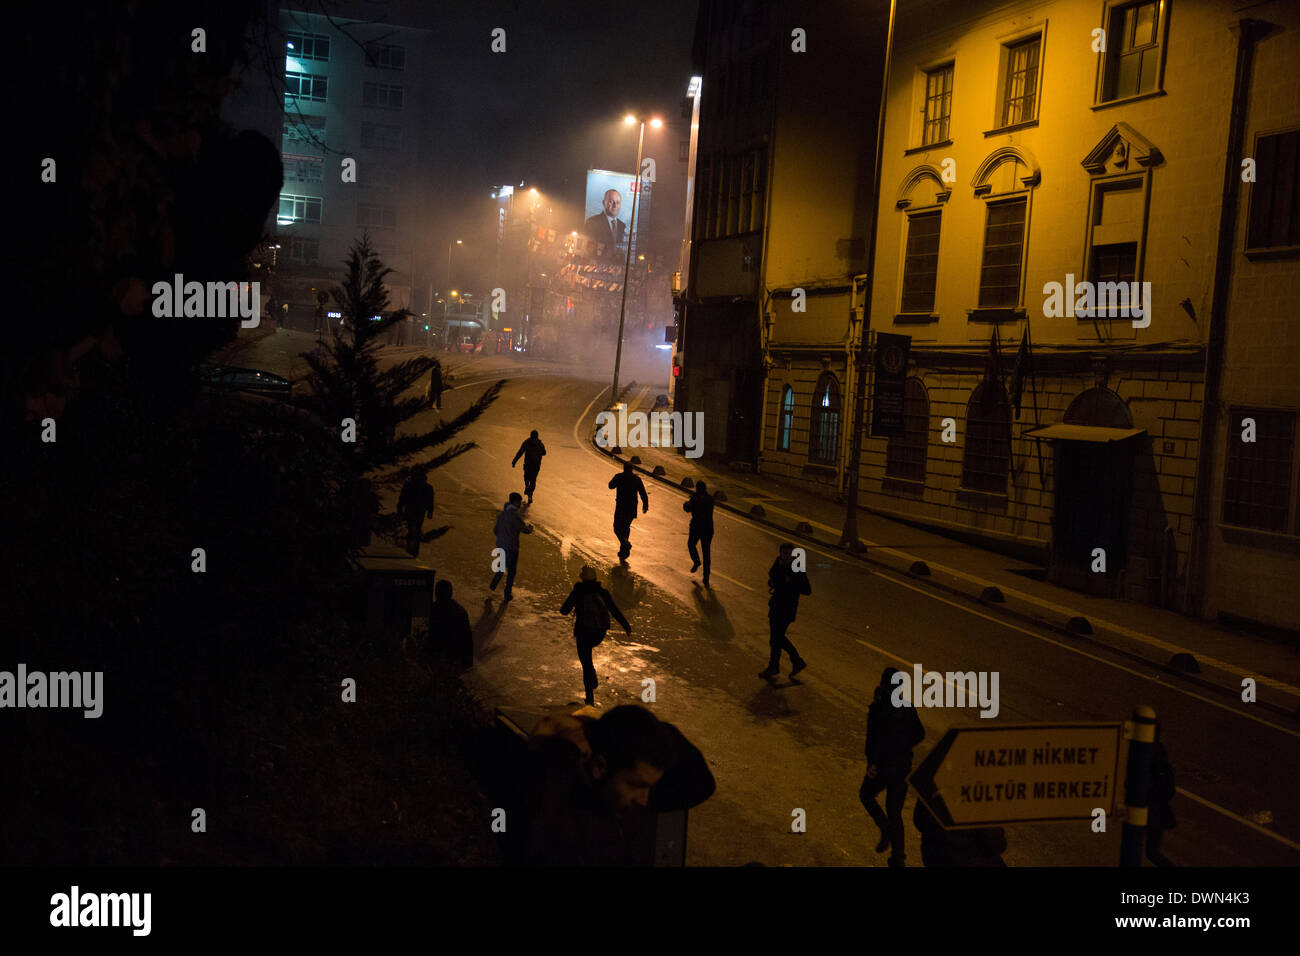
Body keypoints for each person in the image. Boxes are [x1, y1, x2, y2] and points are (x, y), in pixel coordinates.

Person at [518, 705, 715, 866]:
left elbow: (701, 782)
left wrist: (591, 727)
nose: (644, 799)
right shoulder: (559, 818)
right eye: (636, 785)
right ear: (599, 767)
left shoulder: (620, 797)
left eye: (648, 787)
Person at [860, 667, 925, 867]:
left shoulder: (878, 708)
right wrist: (904, 747)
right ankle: (898, 858)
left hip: (883, 766)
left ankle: (884, 826)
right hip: (902, 767)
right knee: (895, 811)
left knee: (866, 795)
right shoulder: (907, 707)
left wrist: (873, 762)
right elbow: (919, 734)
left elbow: (873, 739)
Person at [559, 565, 631, 706]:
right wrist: (626, 626)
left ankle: (590, 696)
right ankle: (591, 677)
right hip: (599, 632)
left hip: (583, 632)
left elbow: (564, 610)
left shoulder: (579, 591)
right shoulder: (602, 592)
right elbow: (614, 610)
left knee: (586, 663)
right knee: (588, 661)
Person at [759, 542, 810, 678]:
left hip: (787, 609)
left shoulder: (797, 569)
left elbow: (807, 589)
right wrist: (775, 581)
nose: (786, 557)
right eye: (784, 554)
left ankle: (775, 666)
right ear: (780, 554)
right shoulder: (778, 563)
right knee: (776, 638)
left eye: (789, 554)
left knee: (776, 638)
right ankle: (795, 661)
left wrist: (791, 581)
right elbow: (772, 577)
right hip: (776, 606)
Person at [490, 492, 533, 601]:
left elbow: (495, 530)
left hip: (502, 544)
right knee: (512, 571)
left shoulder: (502, 514)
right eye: (519, 502)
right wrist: (530, 529)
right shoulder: (514, 516)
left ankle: (494, 583)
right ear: (515, 501)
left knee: (503, 565)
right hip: (511, 547)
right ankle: (507, 593)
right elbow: (524, 529)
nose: (520, 504)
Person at [1146, 721, 1177, 867]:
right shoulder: (1159, 752)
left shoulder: (1150, 754)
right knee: (1151, 850)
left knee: (1150, 851)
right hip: (1155, 811)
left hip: (1152, 811)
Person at [608, 461, 649, 564]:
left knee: (617, 527)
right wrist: (645, 505)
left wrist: (616, 481)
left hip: (621, 506)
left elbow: (610, 486)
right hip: (632, 508)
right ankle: (623, 551)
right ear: (632, 469)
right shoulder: (636, 479)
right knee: (626, 528)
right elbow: (643, 493)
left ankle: (625, 543)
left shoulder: (619, 477)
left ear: (624, 468)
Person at [428, 579, 473, 671]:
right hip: (455, 655)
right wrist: (467, 660)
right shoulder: (459, 610)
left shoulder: (434, 609)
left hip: (442, 654)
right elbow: (467, 636)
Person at [682, 480, 715, 587]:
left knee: (691, 544)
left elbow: (687, 508)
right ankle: (706, 577)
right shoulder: (710, 499)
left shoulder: (696, 499)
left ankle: (696, 561)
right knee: (706, 553)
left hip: (697, 527)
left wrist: (689, 501)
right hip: (708, 528)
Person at [396, 470, 434, 557]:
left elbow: (402, 499)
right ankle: (412, 550)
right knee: (413, 530)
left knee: (413, 530)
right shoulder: (425, 487)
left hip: (415, 510)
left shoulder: (409, 486)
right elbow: (430, 500)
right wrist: (430, 511)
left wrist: (400, 509)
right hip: (415, 510)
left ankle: (412, 550)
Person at [583, 188, 627, 256]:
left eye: (618, 202)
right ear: (604, 203)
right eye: (611, 202)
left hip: (617, 263)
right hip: (597, 261)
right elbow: (588, 246)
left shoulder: (622, 225)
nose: (615, 205)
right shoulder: (592, 222)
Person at [512, 430, 547, 503]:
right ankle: (530, 495)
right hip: (536, 465)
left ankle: (527, 487)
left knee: (526, 477)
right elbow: (544, 453)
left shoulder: (527, 442)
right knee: (533, 480)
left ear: (531, 436)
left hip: (528, 464)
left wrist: (514, 461)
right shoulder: (540, 444)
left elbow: (520, 452)